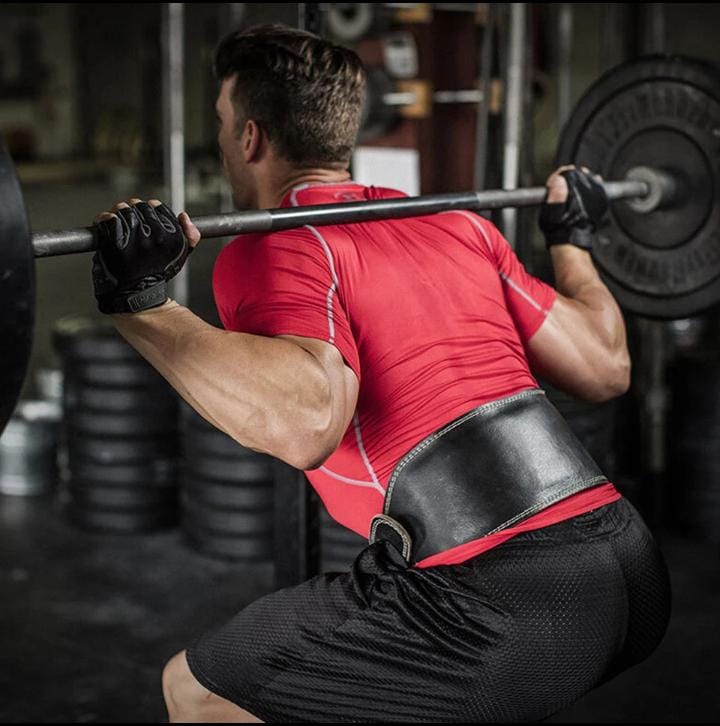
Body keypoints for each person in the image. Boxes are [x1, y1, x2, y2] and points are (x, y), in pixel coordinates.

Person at [91, 24, 671, 724]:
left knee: (200, 689)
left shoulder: (275, 243)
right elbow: (605, 367)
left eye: (219, 123)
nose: (220, 140)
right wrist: (571, 240)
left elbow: (308, 423)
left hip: (501, 609)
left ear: (249, 138)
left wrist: (142, 306)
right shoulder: (458, 225)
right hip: (630, 571)